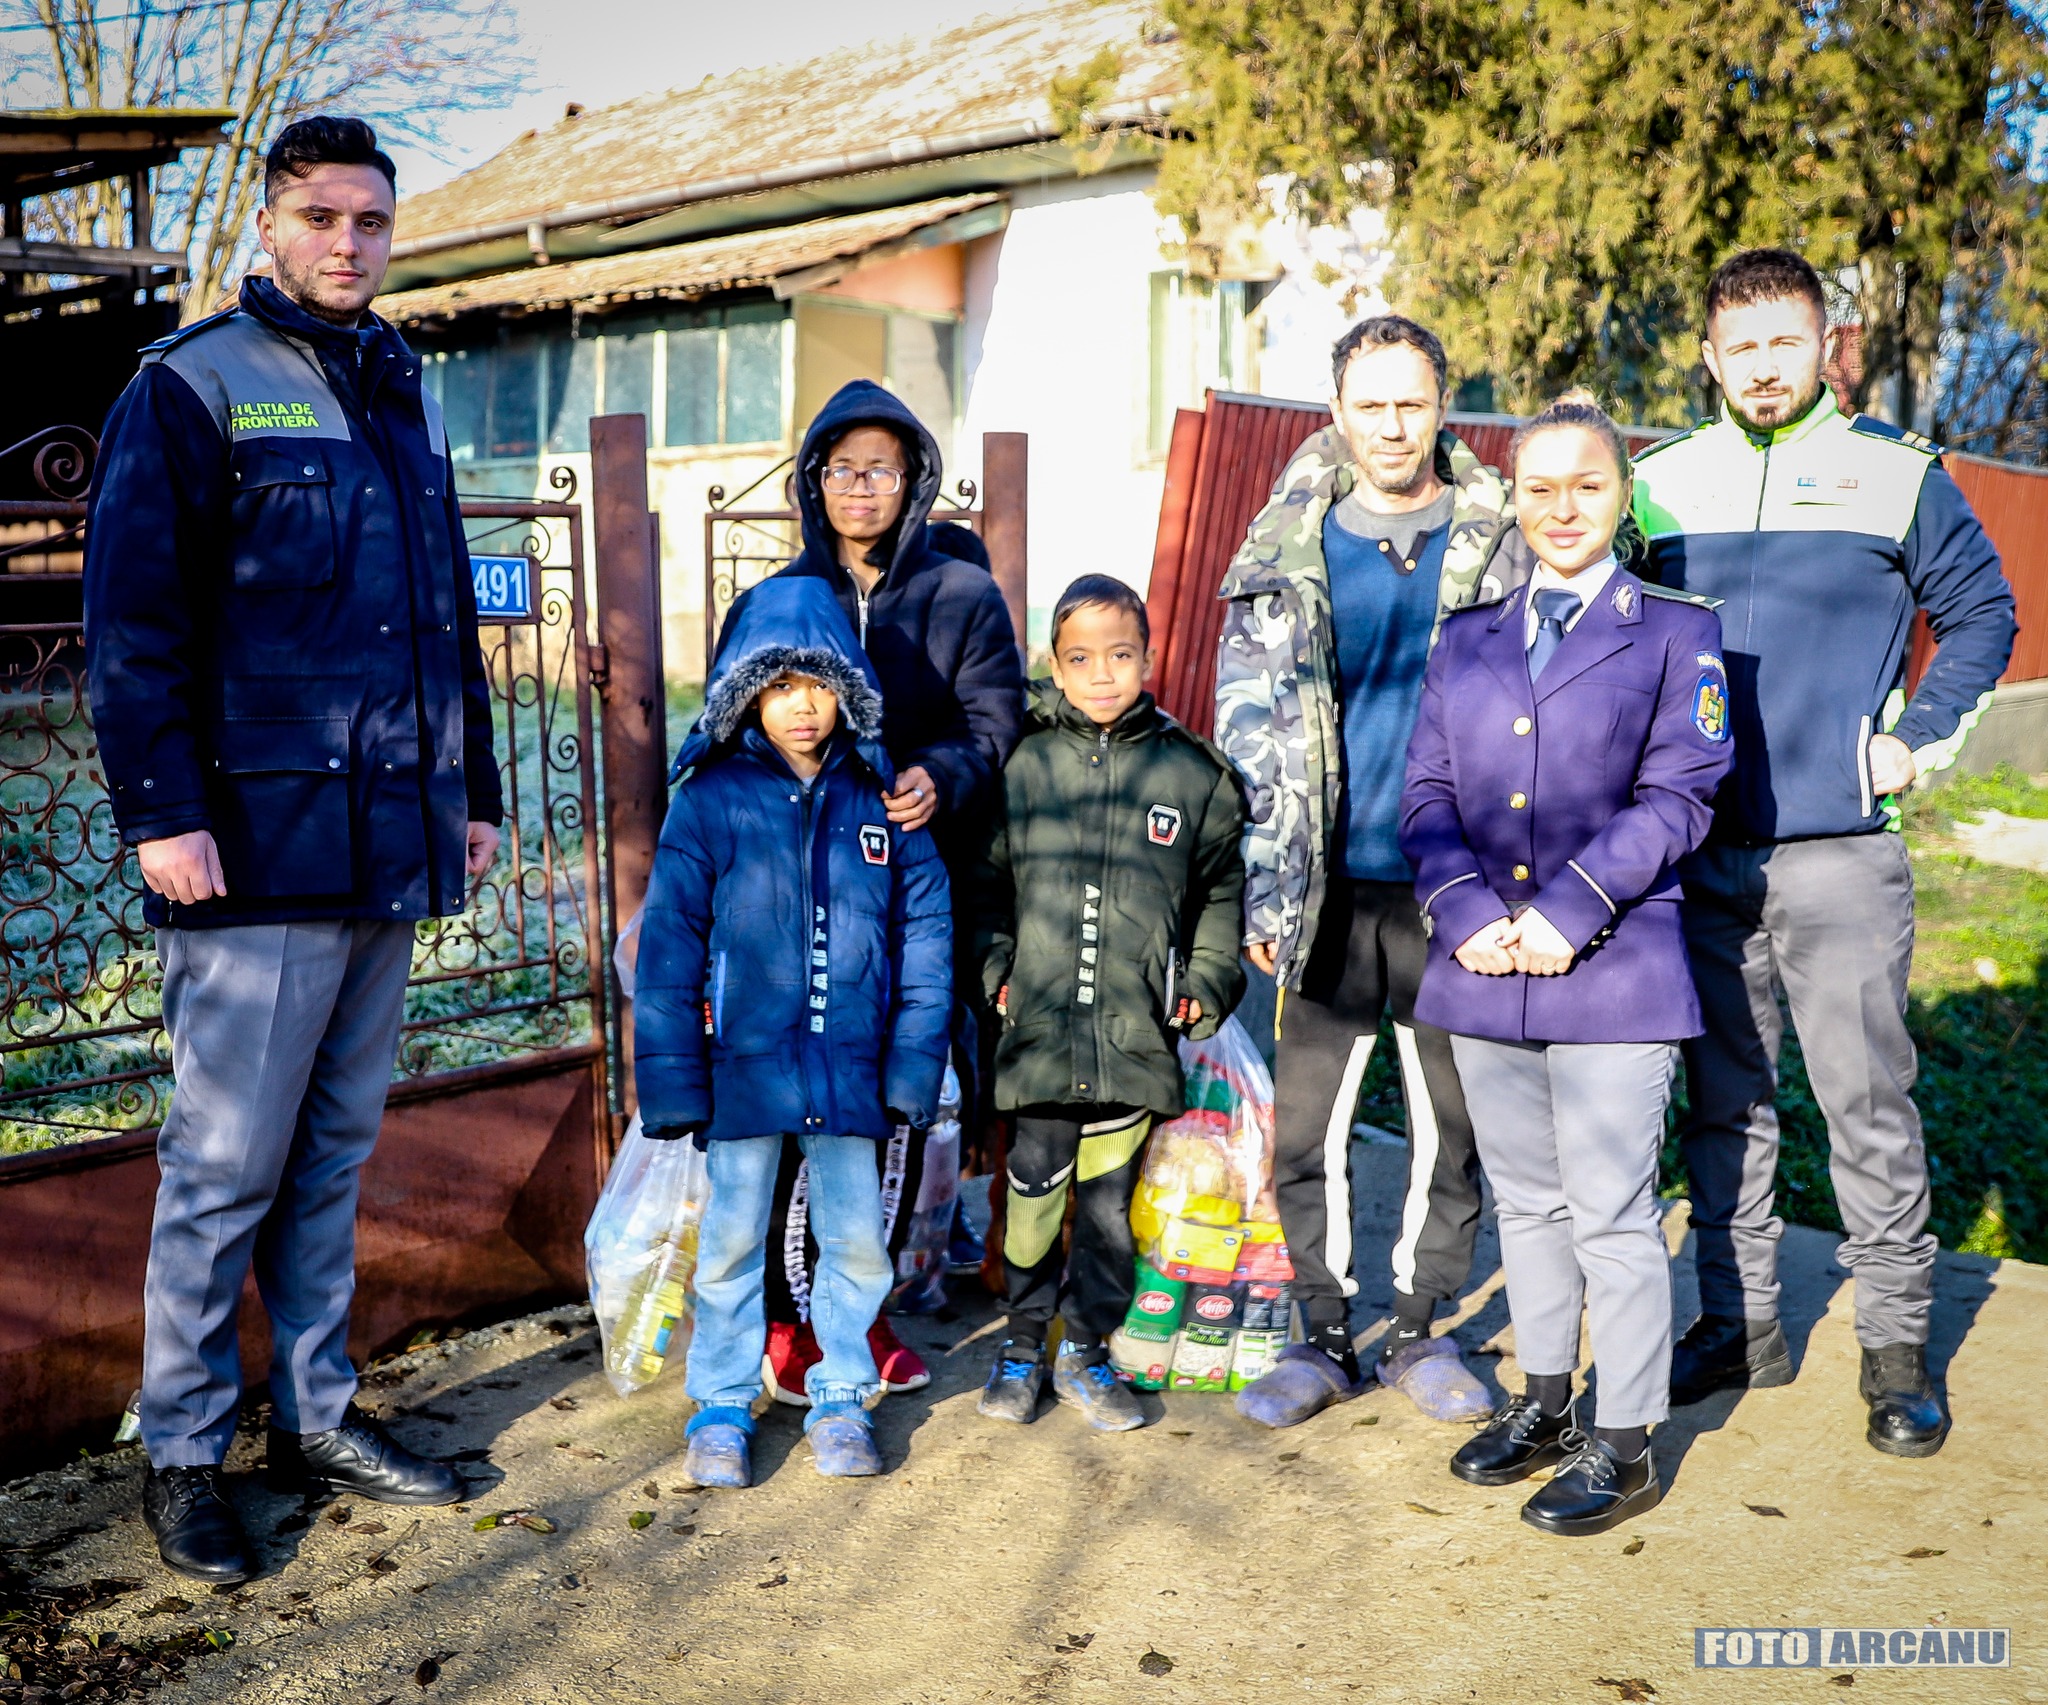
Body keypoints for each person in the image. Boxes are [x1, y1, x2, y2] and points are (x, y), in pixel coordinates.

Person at [81, 117, 502, 1584]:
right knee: (222, 1169)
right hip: (252, 849)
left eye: (370, 220)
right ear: (268, 226)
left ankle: (315, 1416)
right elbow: (131, 625)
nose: (347, 242)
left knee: (330, 1159)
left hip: (385, 843)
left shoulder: (400, 385)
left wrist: (473, 788)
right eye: (320, 217)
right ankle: (185, 1449)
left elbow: (442, 616)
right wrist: (161, 812)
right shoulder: (193, 383)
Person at [1633, 249, 2018, 1457]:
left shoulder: (1894, 476)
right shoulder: (1653, 485)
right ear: (1709, 357)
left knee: (1866, 1105)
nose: (1760, 367)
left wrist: (1912, 740)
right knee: (1719, 1105)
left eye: (1782, 342)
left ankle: (1895, 1353)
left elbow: (1983, 612)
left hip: (1838, 855)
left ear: (1821, 346)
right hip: (1696, 854)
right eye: (1739, 347)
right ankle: (1735, 1323)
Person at [1402, 393, 1733, 1534]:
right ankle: (1546, 1405)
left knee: (1611, 1214)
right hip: (1485, 964)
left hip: (1615, 963)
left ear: (1621, 494)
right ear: (1513, 498)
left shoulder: (1676, 632)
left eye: (1586, 485)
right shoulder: (1466, 638)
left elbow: (1680, 795)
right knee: (1528, 1204)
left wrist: (1570, 910)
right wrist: (1463, 912)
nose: (1561, 507)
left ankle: (1625, 1443)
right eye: (1538, 487)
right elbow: (1427, 793)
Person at [1218, 316, 1534, 1429]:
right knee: (1309, 1127)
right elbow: (1248, 732)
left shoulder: (1504, 538)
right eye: (1371, 403)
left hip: (1459, 889)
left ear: (1442, 405)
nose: (1392, 425)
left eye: (1411, 402)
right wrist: (1264, 886)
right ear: (1338, 412)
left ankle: (1417, 1329)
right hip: (1326, 890)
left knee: (1454, 1122)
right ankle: (1318, 1334)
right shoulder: (1284, 548)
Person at [718, 380, 1023, 1406]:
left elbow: (995, 723)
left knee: (892, 1107)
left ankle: (859, 1307)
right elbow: (727, 727)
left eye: (881, 470)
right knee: (782, 1100)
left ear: (913, 480)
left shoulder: (961, 595)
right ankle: (779, 1314)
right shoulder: (775, 600)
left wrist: (940, 773)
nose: (860, 487)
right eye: (843, 468)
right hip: (788, 891)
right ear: (814, 479)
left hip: (912, 885)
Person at [633, 575, 953, 1487]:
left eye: (817, 683)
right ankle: (722, 1403)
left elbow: (927, 938)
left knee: (854, 1241)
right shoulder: (709, 801)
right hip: (744, 1071)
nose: (801, 705)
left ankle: (842, 1396)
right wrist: (674, 1080)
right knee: (732, 1240)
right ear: (746, 693)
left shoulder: (885, 801)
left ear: (846, 688)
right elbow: (668, 945)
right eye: (777, 685)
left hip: (851, 1071)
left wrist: (911, 1068)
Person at [970, 575, 1246, 1430]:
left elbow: (1219, 893)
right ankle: (1022, 1345)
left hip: (1134, 1034)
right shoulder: (1020, 763)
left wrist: (1205, 982)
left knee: (1108, 1212)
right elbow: (985, 886)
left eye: (1120, 655)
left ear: (1148, 659)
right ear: (1054, 666)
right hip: (1040, 1032)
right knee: (1031, 1196)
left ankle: (1085, 1348)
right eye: (1081, 658)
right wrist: (997, 970)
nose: (1101, 674)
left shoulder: (1190, 773)